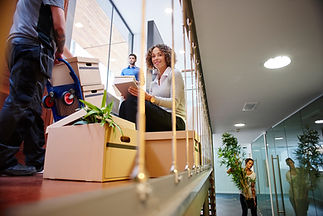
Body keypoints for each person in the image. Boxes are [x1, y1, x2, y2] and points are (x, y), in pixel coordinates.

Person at [0, 0, 66, 176]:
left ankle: (37, 160)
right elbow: (59, 25)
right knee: (20, 102)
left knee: (32, 106)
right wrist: (59, 50)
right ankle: (3, 158)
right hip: (32, 45)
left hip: (20, 44)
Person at [119, 44, 186, 132]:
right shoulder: (153, 83)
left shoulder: (175, 73)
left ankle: (134, 137)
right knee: (125, 103)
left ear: (167, 57)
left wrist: (150, 98)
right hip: (159, 119)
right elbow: (151, 106)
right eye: (153, 56)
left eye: (160, 55)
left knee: (133, 101)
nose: (156, 58)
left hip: (176, 120)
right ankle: (125, 137)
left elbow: (175, 103)